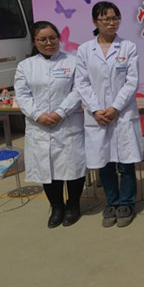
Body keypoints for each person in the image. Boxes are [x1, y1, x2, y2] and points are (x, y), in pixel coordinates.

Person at [76, 1, 143, 228]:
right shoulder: (85, 50)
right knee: (104, 162)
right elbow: (82, 83)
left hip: (121, 114)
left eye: (115, 18)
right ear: (95, 22)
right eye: (105, 19)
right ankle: (112, 203)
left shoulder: (128, 47)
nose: (111, 23)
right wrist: (96, 109)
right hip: (97, 116)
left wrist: (115, 107)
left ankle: (126, 203)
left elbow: (132, 81)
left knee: (125, 163)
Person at [14, 21, 87, 228]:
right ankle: (56, 207)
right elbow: (22, 95)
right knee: (47, 168)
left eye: (53, 38)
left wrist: (60, 112)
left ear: (59, 38)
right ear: (34, 42)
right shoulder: (26, 66)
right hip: (40, 126)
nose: (49, 43)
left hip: (68, 123)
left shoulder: (72, 62)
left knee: (73, 166)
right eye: (43, 39)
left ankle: (73, 205)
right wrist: (38, 115)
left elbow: (78, 90)